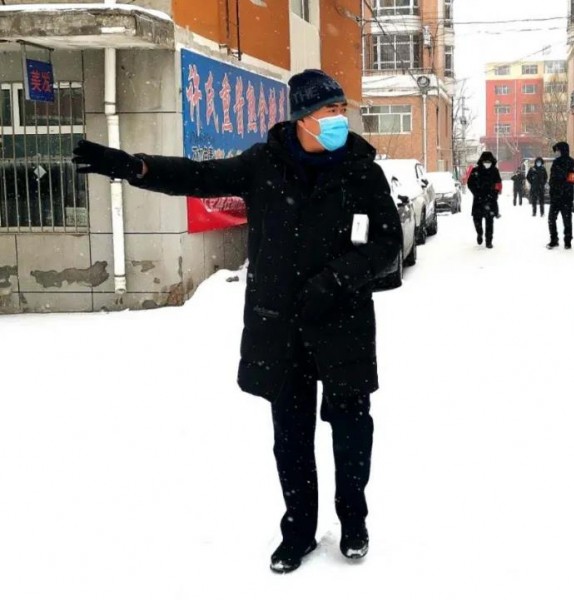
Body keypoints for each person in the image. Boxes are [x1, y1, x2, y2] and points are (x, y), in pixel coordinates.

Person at [72, 70, 403, 574]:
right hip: (282, 327)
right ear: (303, 118)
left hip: (343, 323)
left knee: (352, 431)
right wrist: (135, 167)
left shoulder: (361, 171)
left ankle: (353, 521)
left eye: (342, 110)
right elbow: (198, 176)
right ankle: (298, 531)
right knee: (290, 438)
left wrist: (337, 279)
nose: (340, 120)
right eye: (329, 111)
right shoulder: (263, 164)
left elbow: (387, 243)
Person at [466, 151, 502, 249]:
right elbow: (470, 183)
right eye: (485, 161)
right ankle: (479, 233)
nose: (487, 163)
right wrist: (476, 193)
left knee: (489, 222)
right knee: (477, 219)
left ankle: (489, 241)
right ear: (481, 161)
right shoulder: (475, 170)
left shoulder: (495, 171)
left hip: (490, 200)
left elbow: (498, 183)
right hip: (478, 200)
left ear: (492, 161)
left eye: (489, 162)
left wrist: (494, 193)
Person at [547, 141, 574, 249]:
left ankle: (567, 241)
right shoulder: (555, 162)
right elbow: (552, 178)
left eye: (558, 151)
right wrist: (552, 189)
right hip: (555, 197)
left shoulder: (571, 162)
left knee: (567, 221)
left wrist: (562, 186)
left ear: (563, 150)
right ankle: (554, 239)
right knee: (551, 219)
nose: (557, 153)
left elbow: (573, 179)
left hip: (566, 197)